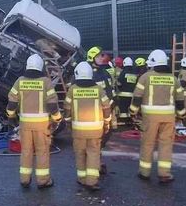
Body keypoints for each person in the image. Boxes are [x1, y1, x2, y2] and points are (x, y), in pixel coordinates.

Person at [7, 54, 62, 189]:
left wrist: (11, 116)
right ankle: (43, 181)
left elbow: (12, 101)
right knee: (42, 151)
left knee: (26, 151)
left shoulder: (20, 81)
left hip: (25, 124)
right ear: (40, 67)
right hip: (42, 125)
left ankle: (25, 179)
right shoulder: (45, 82)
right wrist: (57, 119)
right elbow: (52, 104)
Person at [130, 50, 186, 183]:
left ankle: (144, 172)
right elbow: (180, 100)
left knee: (147, 144)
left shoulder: (145, 77)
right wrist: (182, 115)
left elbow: (137, 97)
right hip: (168, 118)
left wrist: (133, 112)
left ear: (152, 62)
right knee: (166, 145)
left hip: (150, 118)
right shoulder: (173, 78)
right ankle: (164, 174)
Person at [66, 62, 113, 191]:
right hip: (95, 130)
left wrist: (68, 122)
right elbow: (107, 107)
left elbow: (67, 108)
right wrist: (107, 122)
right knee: (93, 153)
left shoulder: (72, 89)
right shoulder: (98, 89)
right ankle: (92, 181)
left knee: (80, 153)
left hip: (78, 130)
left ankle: (82, 178)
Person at [116, 57, 139, 124]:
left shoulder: (123, 72)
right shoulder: (134, 73)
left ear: (124, 63)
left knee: (123, 109)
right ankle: (130, 120)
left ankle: (123, 121)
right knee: (130, 108)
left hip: (123, 94)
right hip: (132, 94)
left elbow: (119, 83)